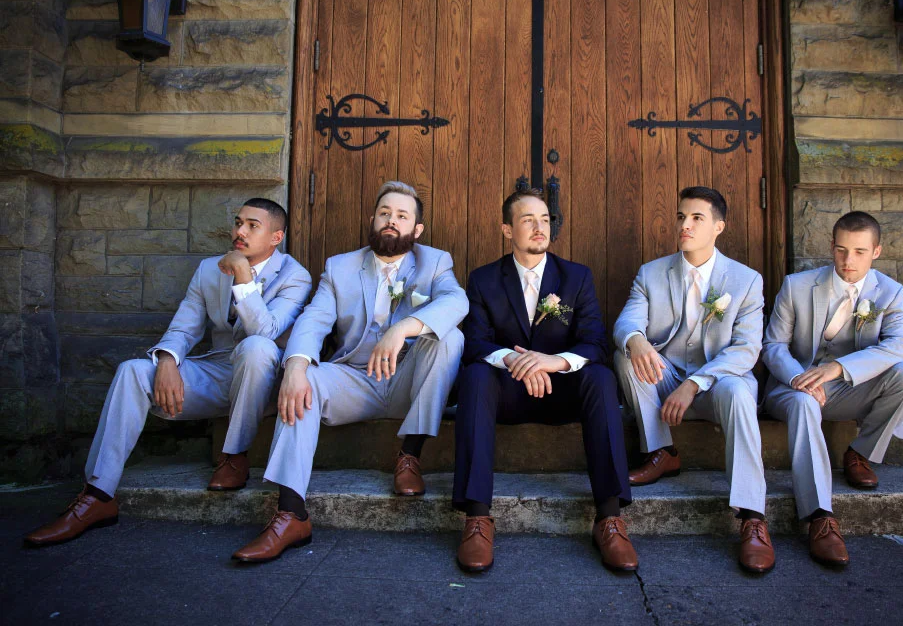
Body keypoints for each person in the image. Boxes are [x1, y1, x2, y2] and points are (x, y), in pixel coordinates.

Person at [25, 198, 311, 546]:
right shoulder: (209, 270)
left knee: (257, 348)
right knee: (132, 371)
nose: (239, 231)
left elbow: (264, 332)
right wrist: (166, 360)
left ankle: (233, 456)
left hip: (263, 383)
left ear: (275, 237)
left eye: (253, 225)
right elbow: (184, 327)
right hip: (217, 372)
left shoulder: (296, 276)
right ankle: (97, 495)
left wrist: (242, 274)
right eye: (238, 222)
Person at [232, 181, 468, 563]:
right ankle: (291, 513)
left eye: (402, 216)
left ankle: (410, 455)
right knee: (303, 379)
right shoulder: (339, 267)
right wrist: (295, 366)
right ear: (372, 220)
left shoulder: (435, 262)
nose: (392, 221)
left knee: (449, 339)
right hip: (355, 380)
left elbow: (457, 301)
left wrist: (401, 328)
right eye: (385, 213)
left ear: (417, 230)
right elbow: (313, 320)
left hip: (410, 379)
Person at [452, 188, 636, 573]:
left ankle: (609, 518)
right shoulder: (484, 279)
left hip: (561, 392)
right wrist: (518, 363)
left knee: (601, 378)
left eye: (545, 220)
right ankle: (476, 518)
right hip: (506, 393)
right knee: (474, 377)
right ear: (507, 229)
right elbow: (475, 342)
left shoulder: (576, 276)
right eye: (527, 220)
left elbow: (595, 343)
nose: (540, 228)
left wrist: (551, 362)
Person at [614, 186, 772, 573]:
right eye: (681, 216)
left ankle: (752, 517)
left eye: (697, 218)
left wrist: (696, 383)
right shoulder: (652, 273)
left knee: (739, 390)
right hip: (666, 377)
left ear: (719, 227)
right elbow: (627, 322)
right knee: (626, 356)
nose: (685, 225)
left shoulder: (747, 280)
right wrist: (636, 341)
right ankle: (662, 451)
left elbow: (746, 350)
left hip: (718, 382)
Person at [762, 211, 903, 566]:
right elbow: (772, 346)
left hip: (848, 388)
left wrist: (839, 368)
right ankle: (820, 516)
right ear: (831, 247)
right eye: (841, 250)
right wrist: (797, 379)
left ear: (876, 251)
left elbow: (899, 346)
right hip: (793, 390)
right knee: (804, 403)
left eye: (860, 252)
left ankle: (860, 453)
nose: (848, 261)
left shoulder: (891, 292)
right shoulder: (797, 285)